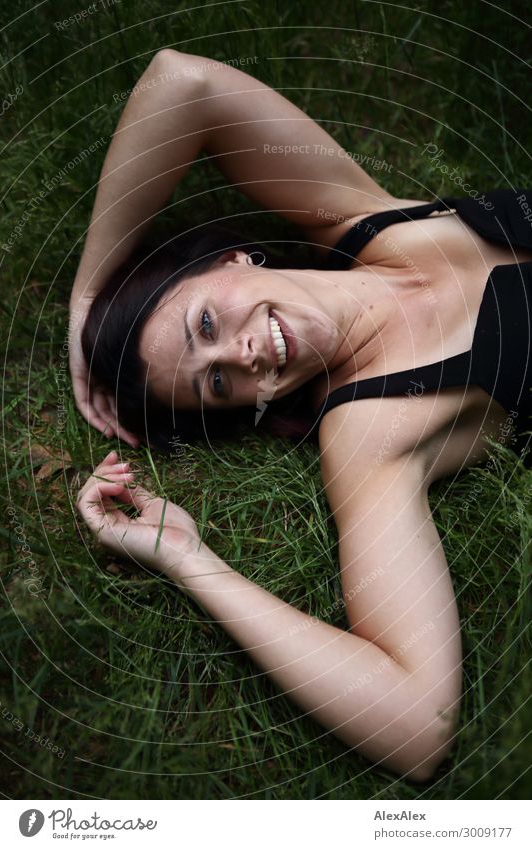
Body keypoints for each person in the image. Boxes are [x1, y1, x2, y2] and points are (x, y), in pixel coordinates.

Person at [72, 50, 532, 783]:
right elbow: (418, 724)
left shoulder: (357, 217)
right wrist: (191, 559)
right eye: (217, 380)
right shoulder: (370, 429)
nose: (243, 352)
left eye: (204, 325)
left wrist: (89, 294)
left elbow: (183, 81)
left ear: (233, 261)